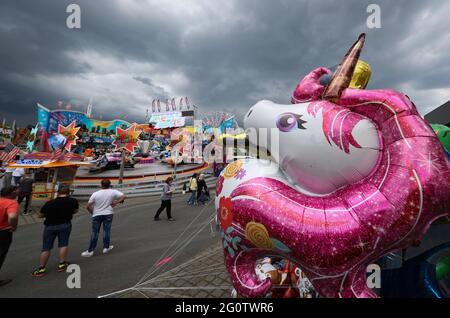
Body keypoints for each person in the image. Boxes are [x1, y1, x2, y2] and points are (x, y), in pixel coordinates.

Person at [31, 185, 79, 277]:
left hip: (50, 226)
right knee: (63, 244)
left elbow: (40, 215)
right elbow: (75, 211)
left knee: (46, 247)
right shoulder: (73, 201)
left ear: (58, 192)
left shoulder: (50, 203)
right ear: (68, 192)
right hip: (65, 225)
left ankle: (41, 268)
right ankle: (62, 264)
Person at [81, 179, 126, 257]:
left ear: (101, 185)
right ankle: (106, 247)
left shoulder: (95, 194)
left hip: (97, 214)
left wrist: (92, 213)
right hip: (108, 213)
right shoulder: (113, 191)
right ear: (109, 184)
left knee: (95, 232)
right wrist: (116, 202)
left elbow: (88, 206)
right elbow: (124, 196)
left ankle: (90, 251)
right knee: (106, 231)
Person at [0, 186, 19, 287]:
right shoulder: (11, 202)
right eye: (16, 190)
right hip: (3, 232)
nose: (17, 192)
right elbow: (12, 216)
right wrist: (14, 226)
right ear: (10, 193)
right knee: (1, 254)